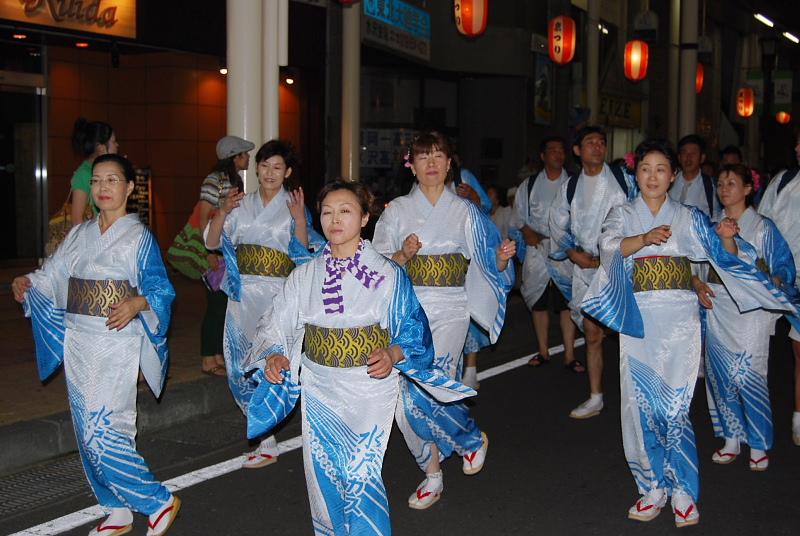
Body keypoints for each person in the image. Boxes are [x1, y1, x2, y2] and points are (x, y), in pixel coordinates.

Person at [580, 139, 797, 527]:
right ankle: (651, 487)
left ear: (673, 175)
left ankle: (682, 490)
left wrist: (728, 235)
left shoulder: (690, 216)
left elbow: (721, 253)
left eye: (661, 169)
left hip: (680, 322)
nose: (652, 176)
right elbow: (609, 247)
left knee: (676, 407)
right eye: (645, 168)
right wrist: (645, 239)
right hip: (639, 321)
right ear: (636, 173)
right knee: (639, 405)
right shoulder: (621, 213)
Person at [243, 180, 475, 535]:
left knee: (360, 472)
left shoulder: (387, 273)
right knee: (325, 473)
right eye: (327, 212)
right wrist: (274, 355)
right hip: (320, 387)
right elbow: (274, 325)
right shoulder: (304, 275)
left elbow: (413, 330)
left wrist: (393, 352)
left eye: (345, 211)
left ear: (365, 217)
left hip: (370, 386)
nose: (334, 219)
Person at [12, 154, 180, 536]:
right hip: (78, 342)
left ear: (129, 188)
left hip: (114, 341)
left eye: (112, 180)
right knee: (83, 427)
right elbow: (53, 275)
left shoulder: (139, 238)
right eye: (98, 181)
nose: (103, 188)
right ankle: (116, 508)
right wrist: (28, 283)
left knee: (104, 428)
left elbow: (160, 289)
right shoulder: (79, 234)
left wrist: (138, 303)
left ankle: (156, 500)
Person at [373, 130, 515, 509]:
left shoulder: (467, 211)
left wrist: (501, 258)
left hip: (451, 308)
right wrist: (402, 254)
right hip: (407, 310)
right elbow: (375, 268)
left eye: (438, 156)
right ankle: (438, 466)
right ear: (412, 166)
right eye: (423, 157)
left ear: (450, 163)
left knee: (433, 383)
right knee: (405, 401)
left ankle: (450, 457)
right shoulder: (397, 211)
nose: (432, 163)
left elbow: (487, 263)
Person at [205, 140, 324, 469]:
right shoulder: (240, 204)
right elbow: (212, 242)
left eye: (277, 167)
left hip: (277, 297)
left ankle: (266, 438)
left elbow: (302, 254)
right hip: (242, 296)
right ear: (255, 169)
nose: (269, 173)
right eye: (264, 166)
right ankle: (263, 434)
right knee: (237, 366)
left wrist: (300, 219)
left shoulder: (293, 204)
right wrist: (223, 211)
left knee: (269, 364)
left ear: (287, 172)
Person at [697, 163, 799, 471]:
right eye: (721, 183)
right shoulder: (711, 225)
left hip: (751, 310)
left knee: (751, 376)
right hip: (718, 307)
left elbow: (783, 265)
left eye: (732, 183)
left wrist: (772, 284)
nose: (724, 188)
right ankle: (731, 438)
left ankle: (757, 442)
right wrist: (698, 284)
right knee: (720, 376)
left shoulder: (763, 227)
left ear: (748, 189)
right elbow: (697, 267)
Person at [549, 126, 635, 418]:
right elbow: (556, 222)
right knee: (592, 332)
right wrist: (573, 253)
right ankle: (595, 395)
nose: (597, 147)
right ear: (578, 150)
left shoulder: (624, 180)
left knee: (628, 332)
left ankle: (637, 392)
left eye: (601, 142)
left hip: (621, 263)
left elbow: (640, 216)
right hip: (585, 266)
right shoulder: (570, 186)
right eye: (590, 143)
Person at [511, 136, 581, 371]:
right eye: (552, 150)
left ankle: (570, 355)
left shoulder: (574, 183)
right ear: (543, 156)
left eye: (561, 150)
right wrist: (527, 231)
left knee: (566, 303)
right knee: (538, 303)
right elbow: (518, 216)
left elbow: (582, 219)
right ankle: (543, 351)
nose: (558, 154)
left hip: (565, 252)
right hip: (538, 251)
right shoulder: (529, 185)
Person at [199, 135, 255, 377]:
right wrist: (209, 251)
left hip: (224, 251)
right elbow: (203, 216)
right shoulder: (215, 180)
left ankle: (216, 356)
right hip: (215, 251)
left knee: (222, 306)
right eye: (245, 153)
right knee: (215, 306)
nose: (248, 157)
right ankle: (207, 360)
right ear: (235, 156)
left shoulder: (231, 180)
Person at [757, 135, 800, 446]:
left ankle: (799, 416)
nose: (796, 148)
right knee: (758, 348)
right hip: (776, 280)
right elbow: (763, 224)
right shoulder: (782, 181)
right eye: (795, 142)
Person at [70, 118, 119, 225]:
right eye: (114, 141)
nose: (117, 145)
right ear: (101, 148)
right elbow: (77, 221)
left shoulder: (100, 171)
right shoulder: (84, 174)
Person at [669, 134, 718, 217]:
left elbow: (716, 216)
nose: (688, 157)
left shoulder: (711, 186)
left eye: (693, 153)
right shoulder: (669, 181)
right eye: (684, 153)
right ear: (679, 157)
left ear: (702, 158)